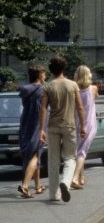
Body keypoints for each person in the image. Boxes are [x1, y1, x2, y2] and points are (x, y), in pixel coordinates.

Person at [39, 56, 86, 203]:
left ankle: (54, 194)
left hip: (53, 125)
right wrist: (83, 125)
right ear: (63, 68)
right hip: (69, 125)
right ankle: (65, 182)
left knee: (53, 160)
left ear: (51, 70)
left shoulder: (48, 86)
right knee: (69, 158)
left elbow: (43, 108)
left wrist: (41, 129)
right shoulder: (72, 85)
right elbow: (79, 107)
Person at [17, 64, 47, 199]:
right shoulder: (44, 90)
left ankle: (38, 186)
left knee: (32, 154)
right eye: (44, 74)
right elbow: (44, 109)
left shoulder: (24, 89)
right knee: (35, 155)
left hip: (25, 123)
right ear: (40, 75)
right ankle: (25, 186)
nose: (45, 76)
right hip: (38, 124)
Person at [71, 65, 100, 189]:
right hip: (88, 123)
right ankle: (75, 177)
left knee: (79, 150)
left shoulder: (74, 89)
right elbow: (95, 97)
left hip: (76, 122)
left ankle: (81, 177)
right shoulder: (93, 88)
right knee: (82, 152)